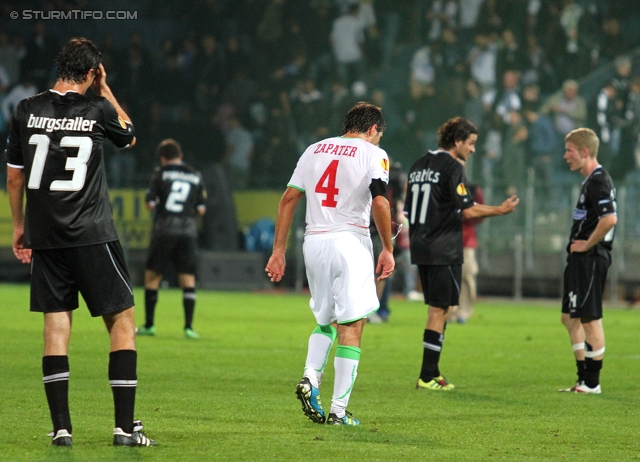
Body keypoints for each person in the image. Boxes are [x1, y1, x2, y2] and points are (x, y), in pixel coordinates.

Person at [4, 38, 155, 446]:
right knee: (122, 321)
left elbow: (15, 176)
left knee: (55, 327)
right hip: (92, 233)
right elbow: (129, 136)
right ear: (91, 73)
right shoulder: (97, 108)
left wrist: (20, 226)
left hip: (46, 237)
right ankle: (124, 428)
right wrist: (105, 90)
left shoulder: (26, 109)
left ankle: (61, 429)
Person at [265, 102, 395, 426]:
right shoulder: (372, 154)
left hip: (314, 242)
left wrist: (278, 251)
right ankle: (338, 412)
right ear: (372, 130)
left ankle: (310, 377)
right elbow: (379, 200)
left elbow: (287, 200)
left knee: (327, 320)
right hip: (350, 241)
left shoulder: (313, 150)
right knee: (353, 325)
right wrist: (388, 247)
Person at [405, 117, 519, 391]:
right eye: (470, 143)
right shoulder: (453, 166)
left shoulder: (419, 164)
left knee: (440, 308)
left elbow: (408, 210)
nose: (473, 149)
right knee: (439, 309)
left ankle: (433, 371)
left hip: (421, 244)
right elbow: (467, 209)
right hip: (443, 246)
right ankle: (426, 375)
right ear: (456, 142)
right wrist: (498, 210)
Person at [559, 128, 616, 394]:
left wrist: (587, 243)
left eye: (569, 150)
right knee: (570, 318)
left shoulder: (598, 180)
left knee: (590, 319)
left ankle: (592, 383)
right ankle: (583, 379)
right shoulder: (590, 181)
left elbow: (609, 219)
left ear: (584, 151)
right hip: (580, 259)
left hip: (592, 257)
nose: (565, 156)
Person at [137, 139, 207, 339]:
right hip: (188, 232)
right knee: (187, 278)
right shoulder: (195, 175)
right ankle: (188, 327)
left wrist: (158, 202)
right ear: (180, 155)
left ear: (162, 157)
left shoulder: (160, 173)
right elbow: (202, 209)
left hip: (164, 230)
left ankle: (150, 325)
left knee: (152, 277)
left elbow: (149, 203)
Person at [449, 174, 485, 324]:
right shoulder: (444, 189)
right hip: (447, 238)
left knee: (467, 276)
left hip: (466, 240)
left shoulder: (473, 189)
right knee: (448, 277)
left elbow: (481, 212)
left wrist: (467, 220)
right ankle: (450, 311)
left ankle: (464, 312)